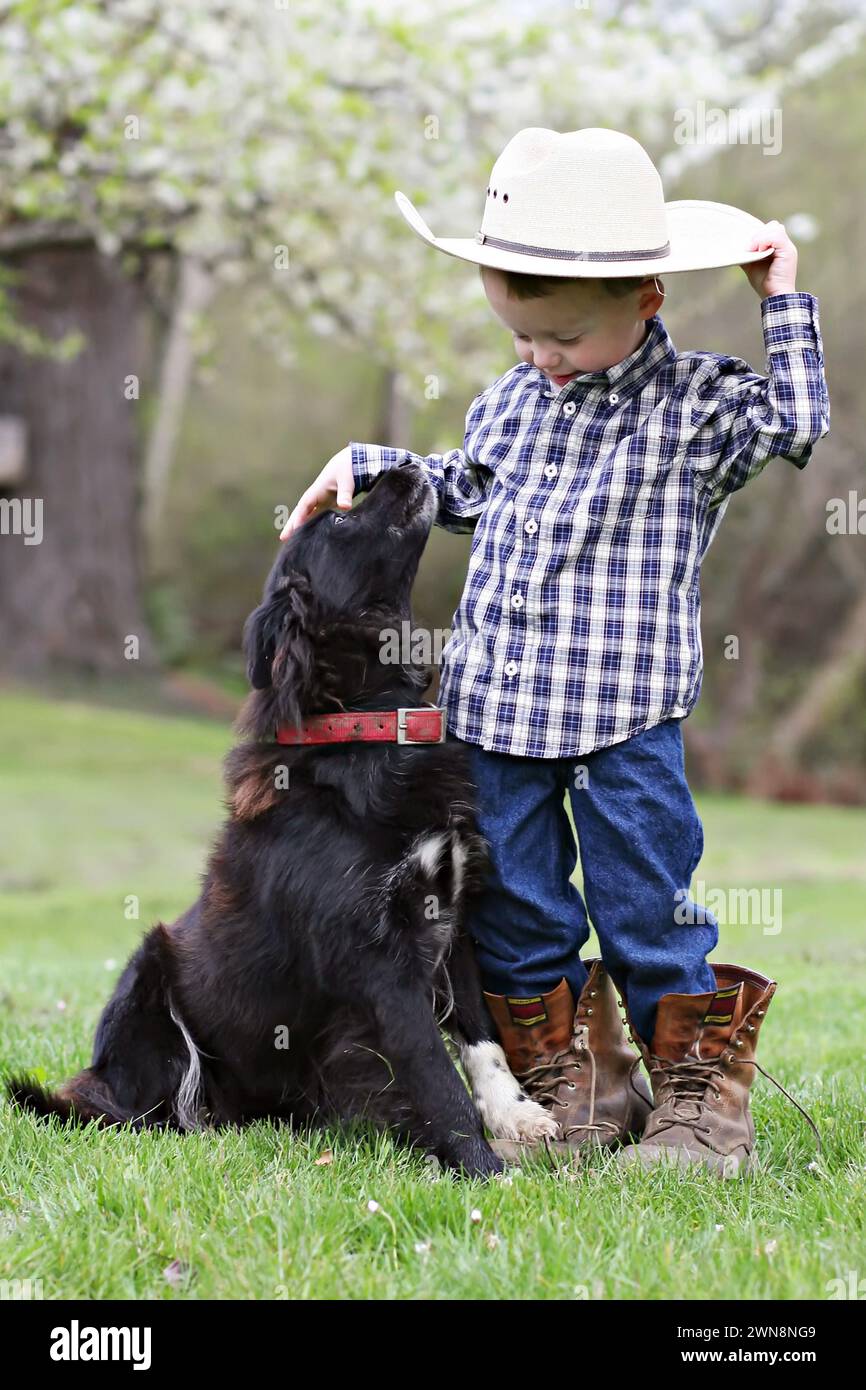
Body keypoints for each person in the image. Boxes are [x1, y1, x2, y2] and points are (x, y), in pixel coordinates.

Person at [281, 128, 830, 1176]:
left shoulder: (698, 406)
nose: (541, 360)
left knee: (642, 901)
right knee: (519, 903)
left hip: (624, 716)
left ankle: (696, 1105)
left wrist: (777, 301)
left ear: (645, 302)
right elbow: (461, 483)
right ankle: (571, 1082)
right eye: (522, 337)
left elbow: (798, 424)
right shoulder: (512, 400)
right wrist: (366, 463)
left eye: (563, 338)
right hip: (495, 713)